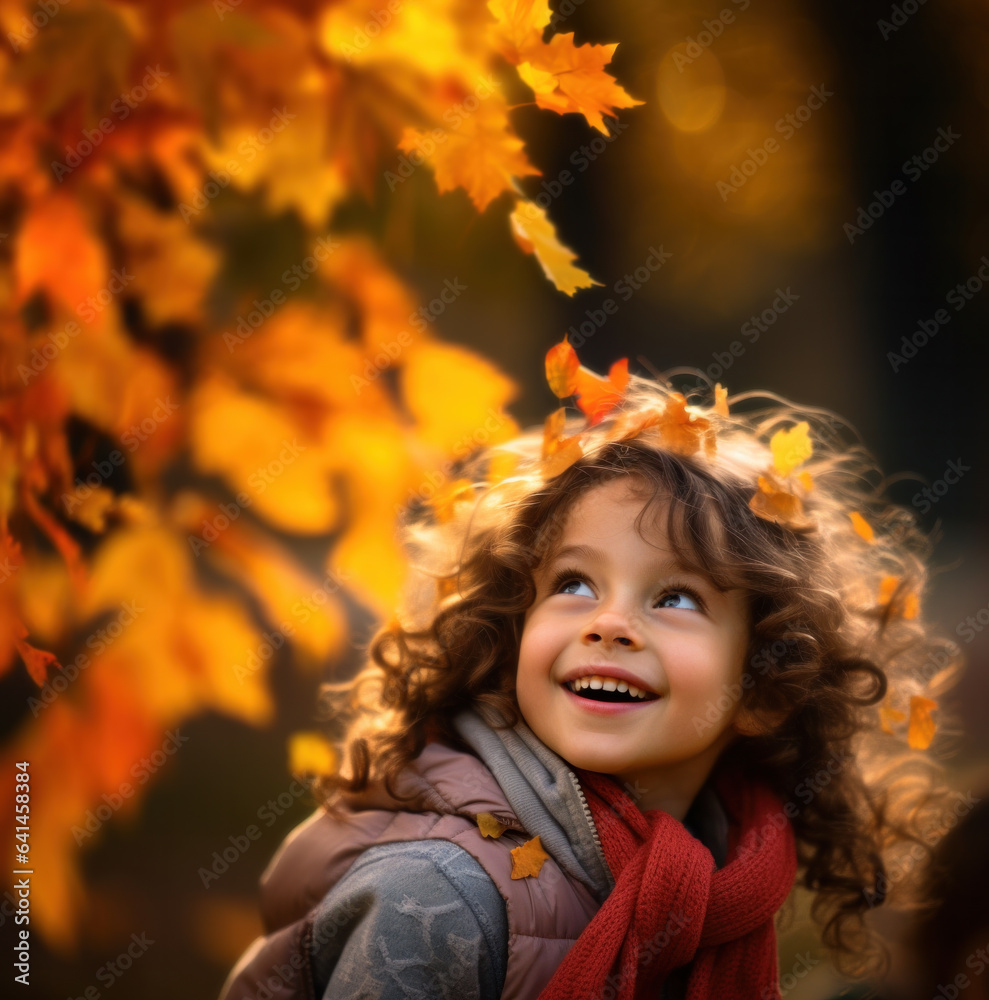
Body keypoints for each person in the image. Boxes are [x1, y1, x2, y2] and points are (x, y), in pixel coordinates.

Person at [219, 340, 963, 1000]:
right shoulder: (438, 900)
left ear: (764, 689)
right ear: (513, 635)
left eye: (675, 597)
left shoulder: (724, 888)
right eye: (573, 584)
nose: (608, 623)